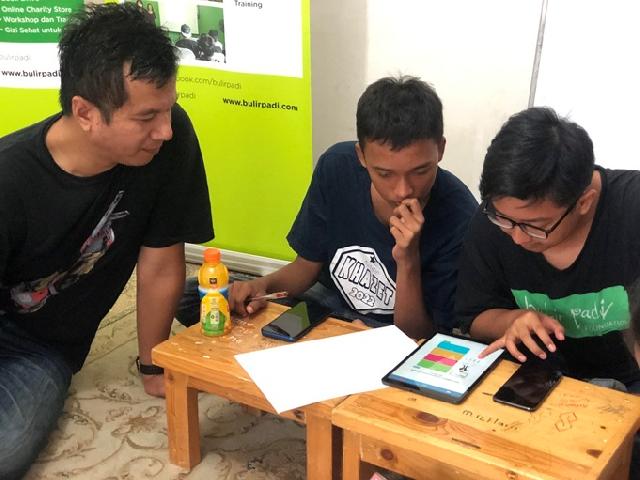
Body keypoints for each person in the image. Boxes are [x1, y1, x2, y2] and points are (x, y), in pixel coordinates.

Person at [0, 4, 213, 478]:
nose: (165, 129)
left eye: (168, 108)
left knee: (6, 450)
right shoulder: (10, 179)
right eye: (146, 117)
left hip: (39, 347)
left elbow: (161, 261)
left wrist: (154, 365)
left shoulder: (169, 142)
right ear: (85, 112)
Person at [178, 76, 477, 339]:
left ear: (440, 149)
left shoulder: (460, 214)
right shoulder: (337, 166)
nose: (403, 190)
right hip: (324, 304)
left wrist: (408, 259)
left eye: (420, 171)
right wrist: (262, 286)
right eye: (385, 174)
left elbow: (419, 336)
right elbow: (305, 267)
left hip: (388, 328)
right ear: (361, 156)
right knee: (194, 297)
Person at [454, 107, 639, 477]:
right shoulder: (495, 222)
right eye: (505, 220)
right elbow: (473, 316)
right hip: (533, 386)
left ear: (584, 202)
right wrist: (512, 320)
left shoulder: (631, 211)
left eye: (536, 226)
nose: (517, 238)